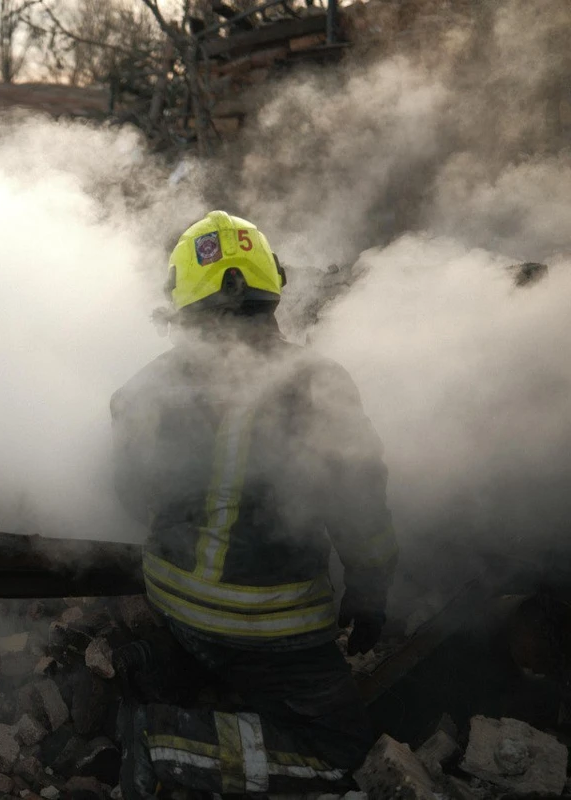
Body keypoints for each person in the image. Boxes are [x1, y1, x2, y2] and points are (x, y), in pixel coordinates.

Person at [109, 211, 398, 796]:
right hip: (268, 625)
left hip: (169, 597)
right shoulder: (317, 380)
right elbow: (358, 500)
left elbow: (130, 494)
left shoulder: (145, 386)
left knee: (207, 651)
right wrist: (369, 589)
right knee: (345, 752)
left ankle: (165, 664)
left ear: (185, 300)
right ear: (270, 288)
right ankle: (162, 739)